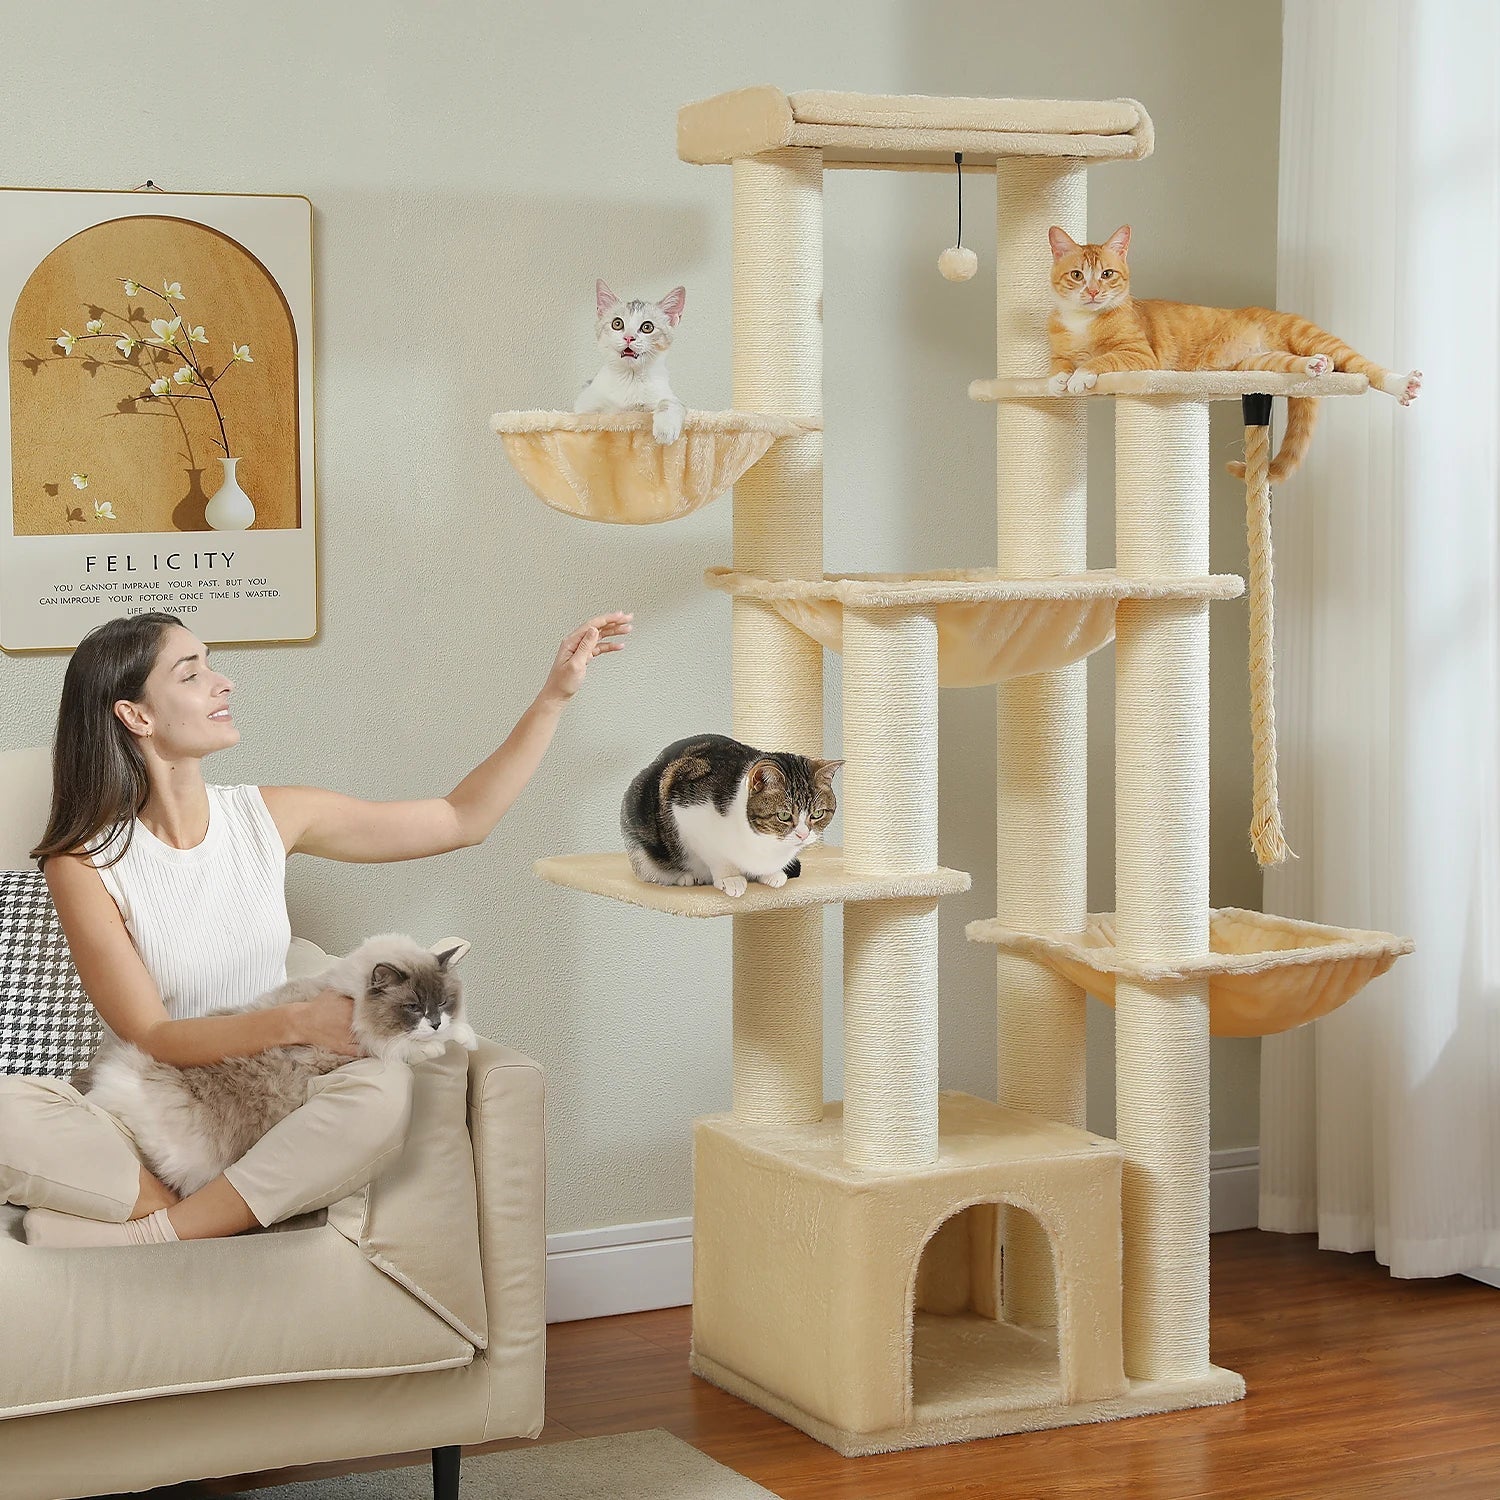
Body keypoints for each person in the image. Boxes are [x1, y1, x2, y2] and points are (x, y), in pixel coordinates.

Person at [0, 607, 631, 1247]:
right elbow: (153, 1034)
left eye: (212, 666)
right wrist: (298, 1021)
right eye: (192, 674)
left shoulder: (273, 815)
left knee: (381, 1091)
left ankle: (159, 1232)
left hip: (270, 1097)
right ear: (137, 715)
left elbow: (461, 819)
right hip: (158, 1105)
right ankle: (196, 1211)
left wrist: (553, 698)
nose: (224, 683)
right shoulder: (82, 862)